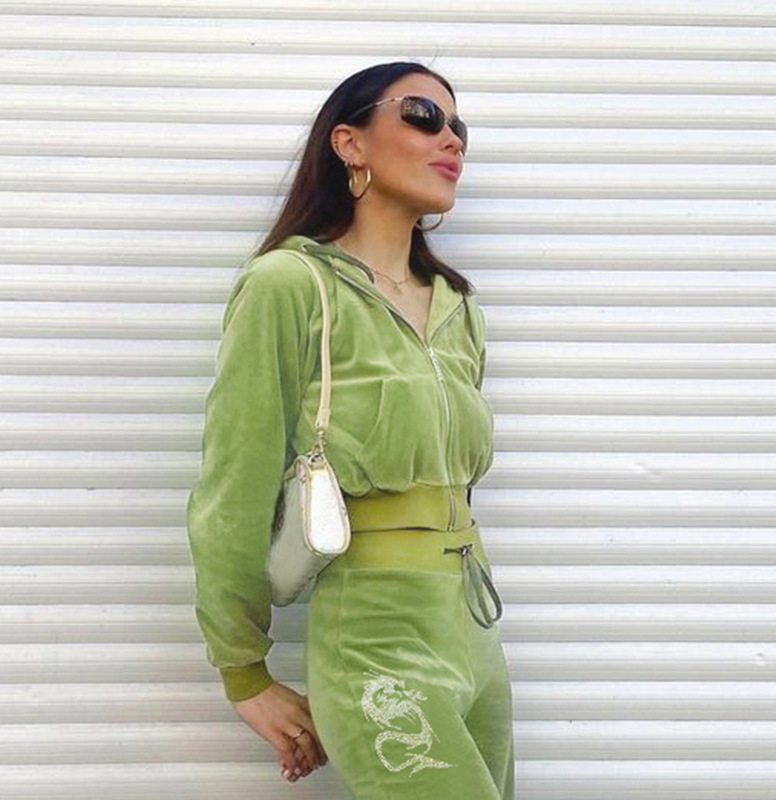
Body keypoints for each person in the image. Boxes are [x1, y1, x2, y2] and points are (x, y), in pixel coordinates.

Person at [186, 60, 514, 798]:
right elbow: (234, 486)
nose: (452, 140)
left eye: (459, 127)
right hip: (373, 631)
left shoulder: (458, 307)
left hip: (472, 622)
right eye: (423, 116)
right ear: (350, 143)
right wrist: (244, 671)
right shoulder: (289, 285)